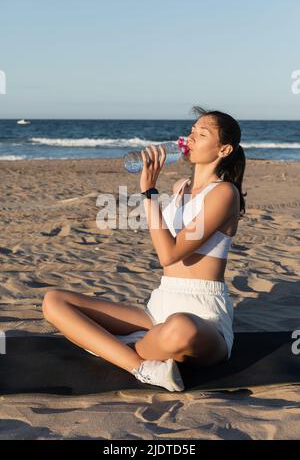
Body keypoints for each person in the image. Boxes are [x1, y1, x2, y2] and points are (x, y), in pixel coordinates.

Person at [42, 105, 247, 392]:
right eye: (191, 131)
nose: (190, 139)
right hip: (160, 305)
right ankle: (142, 367)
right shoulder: (180, 187)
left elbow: (169, 254)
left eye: (201, 134)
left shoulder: (225, 193)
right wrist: (153, 194)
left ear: (223, 150)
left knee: (180, 328)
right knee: (54, 301)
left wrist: (149, 193)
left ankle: (112, 347)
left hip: (203, 315)